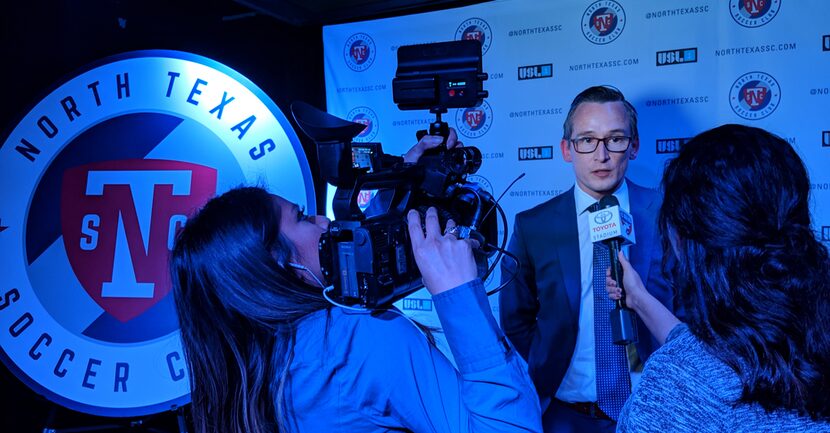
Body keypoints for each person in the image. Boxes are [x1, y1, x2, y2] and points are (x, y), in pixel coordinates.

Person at [169, 131, 543, 433]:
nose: (323, 221)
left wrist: (402, 185)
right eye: (301, 218)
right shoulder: (352, 340)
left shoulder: (253, 364)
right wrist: (458, 295)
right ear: (281, 264)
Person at [604, 124, 830, 432]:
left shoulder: (676, 385)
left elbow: (702, 368)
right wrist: (639, 298)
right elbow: (714, 351)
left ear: (685, 240)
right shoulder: (810, 336)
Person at [499, 85, 679, 433]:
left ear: (635, 145)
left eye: (615, 139)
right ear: (567, 149)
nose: (602, 155)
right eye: (586, 140)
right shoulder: (533, 225)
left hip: (657, 410)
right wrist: (547, 361)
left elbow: (692, 305)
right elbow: (515, 318)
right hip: (565, 415)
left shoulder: (668, 214)